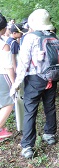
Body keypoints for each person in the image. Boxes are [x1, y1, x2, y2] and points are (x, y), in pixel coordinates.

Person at [10, 9, 59, 159]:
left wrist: (16, 84)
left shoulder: (30, 38)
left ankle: (27, 146)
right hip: (51, 77)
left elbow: (23, 63)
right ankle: (50, 134)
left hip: (34, 79)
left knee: (30, 110)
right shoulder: (53, 36)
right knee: (49, 106)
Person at [0, 14, 15, 142]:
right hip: (2, 76)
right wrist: (14, 83)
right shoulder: (4, 45)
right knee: (9, 102)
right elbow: (8, 66)